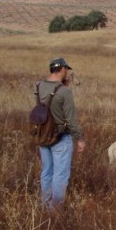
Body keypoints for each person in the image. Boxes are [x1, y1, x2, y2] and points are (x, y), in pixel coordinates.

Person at [38, 57, 85, 211]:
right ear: (63, 69)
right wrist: (79, 138)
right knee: (60, 176)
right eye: (67, 70)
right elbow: (71, 120)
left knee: (46, 172)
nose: (67, 72)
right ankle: (55, 212)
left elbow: (44, 109)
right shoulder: (65, 92)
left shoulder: (39, 86)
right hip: (60, 138)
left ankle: (45, 206)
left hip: (43, 136)